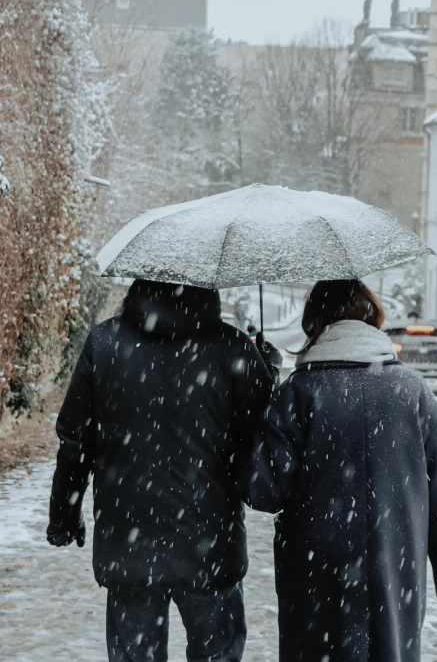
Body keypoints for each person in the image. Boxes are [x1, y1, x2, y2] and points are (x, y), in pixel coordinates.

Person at [47, 279, 281, 662]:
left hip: (130, 544)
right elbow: (260, 436)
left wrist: (63, 515)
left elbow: (75, 441)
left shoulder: (104, 343)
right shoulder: (231, 345)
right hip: (210, 545)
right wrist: (266, 373)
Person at [246, 279, 437, 662]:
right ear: (372, 320)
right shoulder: (413, 390)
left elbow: (265, 492)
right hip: (395, 570)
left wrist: (263, 396)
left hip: (315, 575)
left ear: (314, 323)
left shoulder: (298, 391)